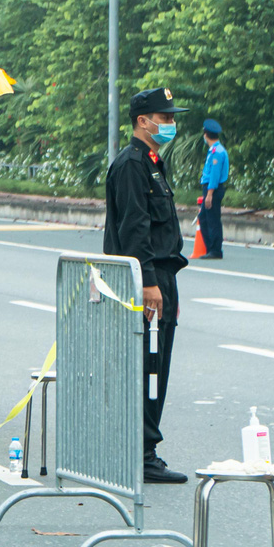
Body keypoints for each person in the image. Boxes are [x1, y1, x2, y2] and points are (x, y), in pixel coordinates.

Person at [105, 87, 191, 485]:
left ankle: (141, 449)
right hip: (146, 280)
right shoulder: (131, 165)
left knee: (156, 365)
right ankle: (142, 453)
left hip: (160, 277)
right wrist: (150, 283)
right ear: (143, 121)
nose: (170, 124)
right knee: (147, 367)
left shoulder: (152, 163)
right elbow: (135, 230)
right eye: (165, 117)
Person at [198, 119, 229, 261]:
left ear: (206, 135)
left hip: (213, 189)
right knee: (204, 217)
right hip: (212, 189)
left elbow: (215, 175)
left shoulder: (217, 152)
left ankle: (215, 250)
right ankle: (211, 248)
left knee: (212, 219)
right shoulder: (215, 150)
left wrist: (209, 194)